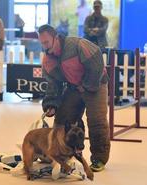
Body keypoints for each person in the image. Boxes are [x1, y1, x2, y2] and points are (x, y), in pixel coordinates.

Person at [37, 24, 110, 172]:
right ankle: (63, 152)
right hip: (74, 87)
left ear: (56, 38)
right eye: (42, 43)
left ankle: (99, 158)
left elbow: (96, 64)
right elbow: (53, 83)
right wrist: (51, 103)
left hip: (96, 84)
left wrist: (86, 85)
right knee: (63, 118)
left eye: (46, 42)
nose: (44, 47)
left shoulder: (77, 45)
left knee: (97, 121)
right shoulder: (48, 60)